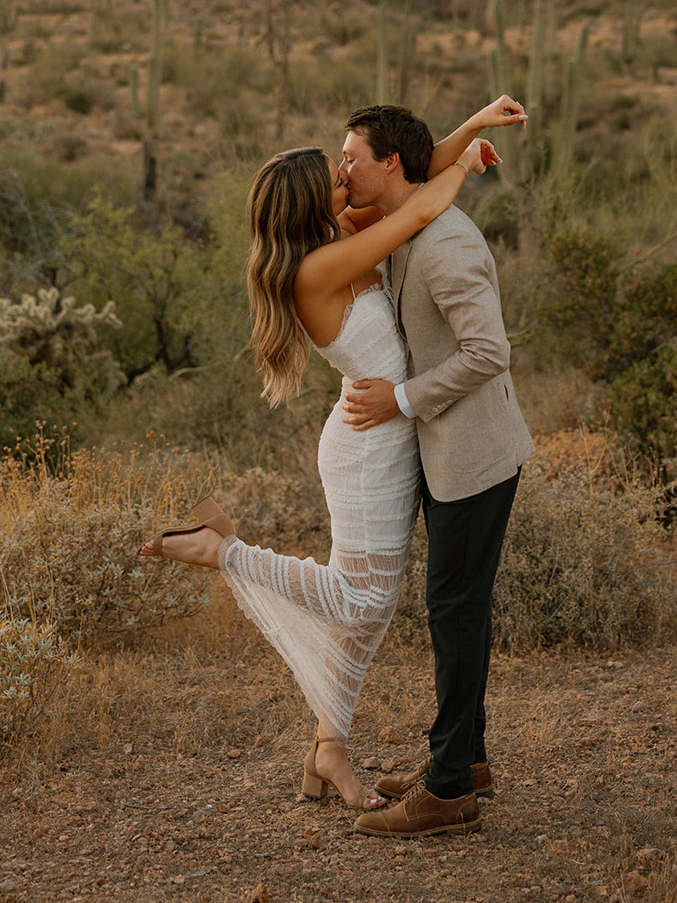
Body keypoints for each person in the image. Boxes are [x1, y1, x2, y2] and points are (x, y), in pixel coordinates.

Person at [138, 96, 527, 814]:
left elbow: (406, 176)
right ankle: (218, 551)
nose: (344, 169)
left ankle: (329, 750)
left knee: (367, 612)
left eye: (347, 161)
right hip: (365, 443)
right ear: (314, 198)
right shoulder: (318, 268)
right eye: (334, 168)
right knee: (362, 599)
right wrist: (469, 164)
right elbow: (414, 207)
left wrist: (467, 131)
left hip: (391, 432)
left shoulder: (343, 229)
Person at [338, 103, 534, 838]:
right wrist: (470, 136)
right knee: (457, 609)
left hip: (474, 457)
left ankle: (448, 788)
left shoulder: (445, 243)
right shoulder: (407, 222)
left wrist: (400, 399)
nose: (343, 166)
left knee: (454, 612)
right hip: (448, 452)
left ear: (389, 163)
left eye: (351, 154)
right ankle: (467, 759)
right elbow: (434, 162)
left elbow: (489, 353)